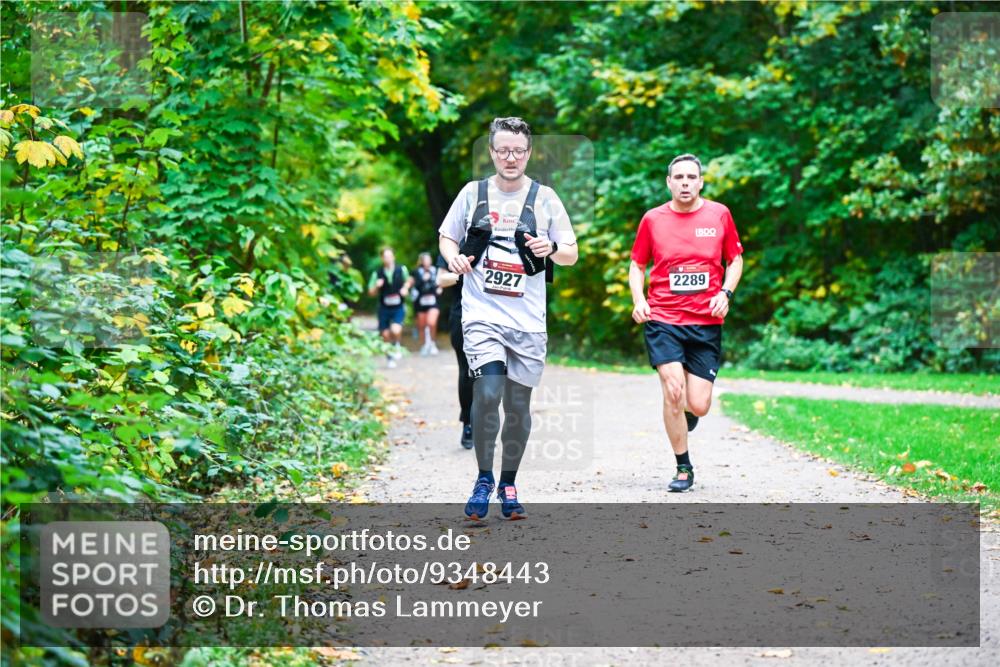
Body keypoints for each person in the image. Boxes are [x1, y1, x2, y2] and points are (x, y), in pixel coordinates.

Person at [439, 117, 578, 520]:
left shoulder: (546, 198)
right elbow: (447, 235)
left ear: (529, 152)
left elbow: (571, 252)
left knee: (518, 405)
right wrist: (453, 256)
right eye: (503, 150)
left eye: (518, 150)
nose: (510, 157)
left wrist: (550, 246)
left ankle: (508, 482)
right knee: (488, 391)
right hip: (481, 313)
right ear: (492, 152)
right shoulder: (473, 193)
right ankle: (484, 478)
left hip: (528, 321)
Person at [629, 153, 744, 492]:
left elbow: (735, 259)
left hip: (706, 322)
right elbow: (637, 265)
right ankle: (683, 467)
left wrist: (726, 292)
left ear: (700, 182)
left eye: (691, 177)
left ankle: (688, 415)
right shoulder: (653, 219)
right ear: (669, 182)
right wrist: (639, 300)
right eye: (678, 177)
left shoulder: (719, 214)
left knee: (699, 404)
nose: (684, 183)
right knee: (673, 390)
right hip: (664, 318)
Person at [436, 257, 474, 449]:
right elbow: (441, 279)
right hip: (462, 314)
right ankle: (469, 423)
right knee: (467, 371)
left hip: (495, 315)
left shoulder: (501, 233)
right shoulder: (452, 243)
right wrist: (469, 273)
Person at [368, 247, 412, 368]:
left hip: (398, 306)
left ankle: (397, 345)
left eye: (389, 256)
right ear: (382, 258)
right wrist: (377, 287)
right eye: (385, 256)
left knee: (396, 329)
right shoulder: (377, 273)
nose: (388, 259)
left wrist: (405, 288)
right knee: (385, 335)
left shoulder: (401, 269)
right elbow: (370, 292)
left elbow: (408, 280)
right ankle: (390, 358)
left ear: (393, 257)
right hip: (384, 308)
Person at [411, 252, 442, 356]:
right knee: (422, 325)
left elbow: (440, 282)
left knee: (431, 323)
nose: (427, 262)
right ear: (421, 261)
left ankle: (432, 343)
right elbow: (413, 285)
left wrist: (440, 288)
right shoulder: (416, 272)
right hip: (420, 302)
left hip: (433, 301)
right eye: (425, 260)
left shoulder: (435, 270)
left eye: (429, 259)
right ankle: (425, 344)